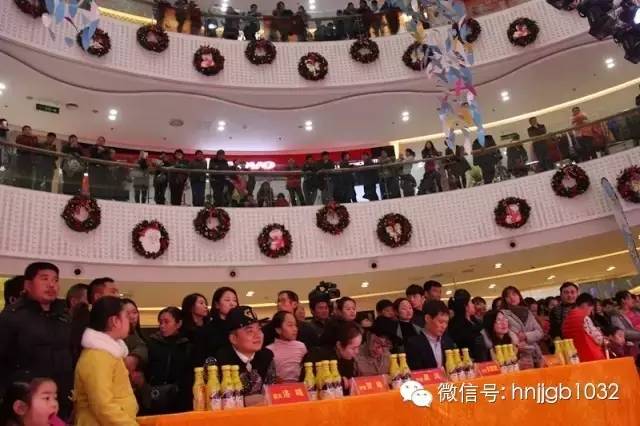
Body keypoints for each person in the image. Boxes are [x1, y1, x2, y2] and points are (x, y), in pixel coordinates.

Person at [0, 262, 73, 419]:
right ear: (28, 284)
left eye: (55, 280)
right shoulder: (12, 317)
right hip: (26, 399)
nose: (51, 285)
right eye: (44, 279)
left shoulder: (64, 316)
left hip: (60, 398)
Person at [74, 296, 138, 425]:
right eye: (126, 316)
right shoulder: (97, 356)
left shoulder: (108, 354)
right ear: (115, 321)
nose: (130, 321)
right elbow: (102, 405)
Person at [215, 306, 275, 406]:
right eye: (250, 331)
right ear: (233, 338)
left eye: (259, 329)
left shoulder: (267, 356)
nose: (258, 335)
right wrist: (242, 402)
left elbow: (271, 389)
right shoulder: (218, 361)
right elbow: (211, 400)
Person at [137, 307, 191, 414]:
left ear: (178, 324)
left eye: (166, 322)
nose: (162, 326)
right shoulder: (151, 343)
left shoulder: (186, 345)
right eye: (160, 322)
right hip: (155, 394)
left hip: (180, 397)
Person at [304, 321, 363, 393]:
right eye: (353, 348)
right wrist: (343, 383)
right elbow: (309, 385)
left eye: (358, 347)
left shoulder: (348, 359)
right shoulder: (317, 356)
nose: (357, 351)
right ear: (339, 345)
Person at [193, 287, 238, 366]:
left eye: (235, 300)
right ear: (217, 304)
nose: (232, 303)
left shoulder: (239, 327)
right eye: (227, 300)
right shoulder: (206, 330)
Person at [406, 300, 456, 370]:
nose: (444, 326)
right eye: (440, 322)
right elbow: (415, 372)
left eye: (446, 322)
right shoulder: (414, 344)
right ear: (427, 318)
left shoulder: (448, 341)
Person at [501, 286, 544, 367]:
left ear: (519, 296)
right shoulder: (503, 315)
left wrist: (526, 336)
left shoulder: (528, 312)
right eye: (507, 296)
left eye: (514, 294)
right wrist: (516, 343)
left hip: (535, 354)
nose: (511, 297)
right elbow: (506, 335)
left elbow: (540, 332)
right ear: (505, 300)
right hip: (517, 356)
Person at [561, 293, 605, 362]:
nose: (590, 313)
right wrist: (601, 335)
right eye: (591, 309)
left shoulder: (567, 318)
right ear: (585, 304)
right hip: (590, 355)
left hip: (574, 357)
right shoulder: (584, 318)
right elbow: (598, 339)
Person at [266, 311, 307, 383]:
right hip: (279, 388)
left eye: (295, 325)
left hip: (300, 386)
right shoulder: (268, 350)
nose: (295, 329)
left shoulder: (301, 346)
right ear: (278, 330)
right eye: (290, 325)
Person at [448, 289, 488, 362]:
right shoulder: (457, 324)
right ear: (465, 306)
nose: (473, 305)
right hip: (467, 360)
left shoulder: (474, 319)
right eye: (471, 302)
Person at [122, 299, 148, 377]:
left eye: (134, 312)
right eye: (127, 313)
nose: (132, 317)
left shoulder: (141, 336)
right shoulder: (118, 339)